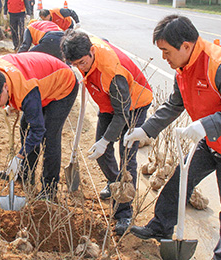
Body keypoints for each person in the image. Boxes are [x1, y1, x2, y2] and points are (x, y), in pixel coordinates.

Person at [124, 15, 221, 260]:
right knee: (180, 181)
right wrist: (146, 130)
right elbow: (174, 105)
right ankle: (161, 227)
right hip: (213, 140)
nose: (164, 58)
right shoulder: (183, 67)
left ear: (187, 46)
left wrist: (206, 124)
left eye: (166, 51)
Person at [61, 30, 153, 235]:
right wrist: (103, 142)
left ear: (92, 52)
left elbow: (122, 115)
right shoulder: (86, 47)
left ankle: (124, 212)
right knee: (102, 155)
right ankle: (115, 184)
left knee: (127, 158)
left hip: (134, 105)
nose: (79, 67)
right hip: (109, 104)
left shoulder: (112, 72)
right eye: (74, 64)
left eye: (82, 63)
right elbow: (104, 41)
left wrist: (106, 140)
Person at [0, 52, 78, 200]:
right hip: (39, 82)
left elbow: (38, 130)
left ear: (5, 87)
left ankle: (49, 189)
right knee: (25, 126)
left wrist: (19, 156)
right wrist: (9, 102)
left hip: (62, 85)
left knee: (49, 137)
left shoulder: (26, 91)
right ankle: (26, 173)